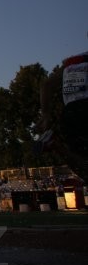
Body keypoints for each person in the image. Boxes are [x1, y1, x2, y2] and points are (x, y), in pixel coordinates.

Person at [37, 52, 88, 181]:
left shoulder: (72, 62)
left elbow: (46, 85)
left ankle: (57, 146)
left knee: (82, 162)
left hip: (70, 113)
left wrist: (46, 115)